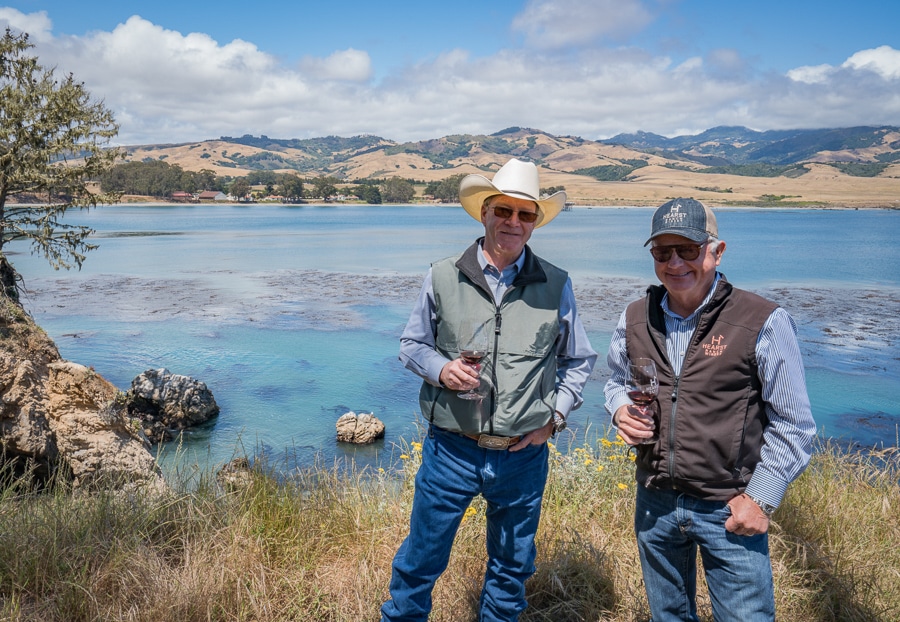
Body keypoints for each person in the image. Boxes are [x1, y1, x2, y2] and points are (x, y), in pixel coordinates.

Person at [381, 158, 597, 621]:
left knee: (511, 569)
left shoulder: (557, 283)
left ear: (535, 223)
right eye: (504, 211)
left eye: (525, 214)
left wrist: (553, 418)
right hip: (451, 451)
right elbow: (412, 344)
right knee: (420, 563)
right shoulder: (442, 275)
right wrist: (441, 371)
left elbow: (578, 361)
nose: (513, 223)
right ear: (484, 212)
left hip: (523, 455)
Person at [604, 198, 816, 622]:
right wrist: (619, 408)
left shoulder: (763, 320)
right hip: (656, 502)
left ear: (717, 252)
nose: (675, 262)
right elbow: (615, 381)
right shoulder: (633, 317)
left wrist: (760, 499)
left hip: (728, 507)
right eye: (663, 252)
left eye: (688, 249)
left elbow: (794, 425)